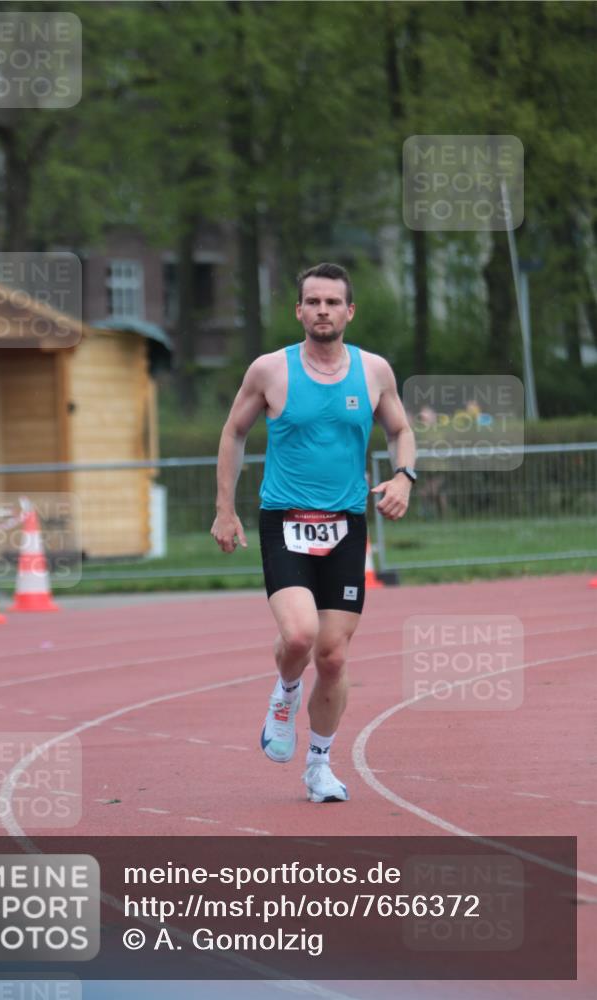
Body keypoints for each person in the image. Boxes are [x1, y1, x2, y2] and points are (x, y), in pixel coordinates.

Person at [211, 262, 416, 802]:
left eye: (332, 302)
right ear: (298, 311)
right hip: (285, 520)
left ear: (350, 311)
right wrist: (224, 510)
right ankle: (284, 694)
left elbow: (400, 429)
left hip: (346, 525)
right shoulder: (270, 371)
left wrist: (404, 476)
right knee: (299, 636)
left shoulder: (373, 371)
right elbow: (234, 431)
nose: (322, 310)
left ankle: (320, 764)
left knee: (333, 656)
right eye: (313, 302)